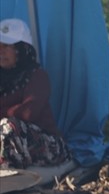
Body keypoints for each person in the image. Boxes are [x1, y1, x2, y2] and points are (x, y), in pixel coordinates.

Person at [0, 18, 71, 169]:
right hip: (11, 144)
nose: (1, 51)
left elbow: (27, 113)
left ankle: (7, 173)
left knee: (9, 126)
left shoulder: (37, 76)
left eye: (6, 46)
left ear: (22, 49)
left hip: (49, 147)